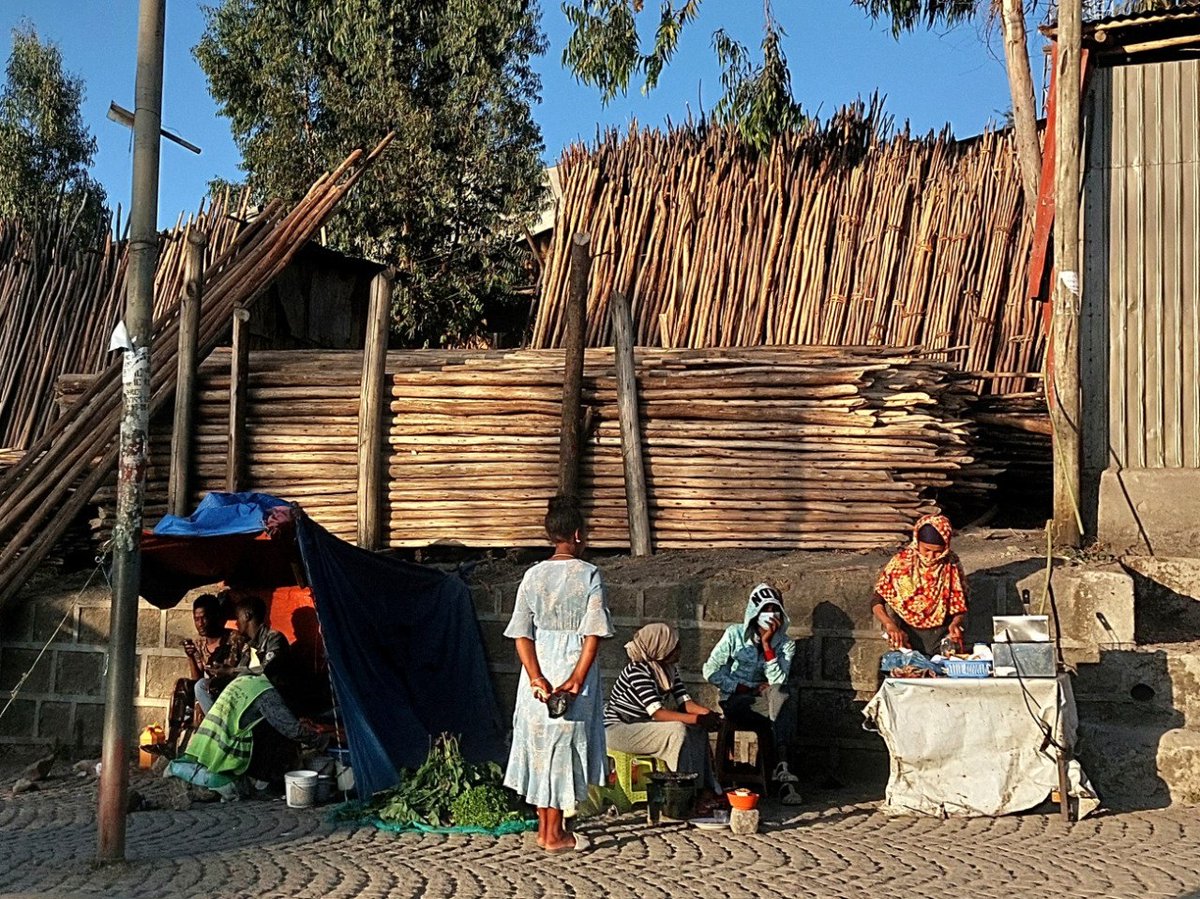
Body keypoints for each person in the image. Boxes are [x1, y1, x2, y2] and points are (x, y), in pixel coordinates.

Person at [504, 494, 613, 852]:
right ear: (578, 534)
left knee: (541, 749)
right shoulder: (589, 574)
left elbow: (521, 633)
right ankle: (555, 835)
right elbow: (593, 631)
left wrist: (536, 677)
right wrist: (578, 677)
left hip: (537, 675)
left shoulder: (532, 576)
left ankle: (545, 829)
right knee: (564, 750)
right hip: (571, 671)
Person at [702, 583, 802, 805]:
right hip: (737, 700)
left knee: (781, 696)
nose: (770, 615)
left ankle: (782, 770)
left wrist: (767, 647)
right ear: (754, 612)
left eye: (774, 609)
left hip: (768, 702)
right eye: (765, 610)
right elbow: (710, 671)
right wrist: (742, 687)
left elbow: (778, 682)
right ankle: (783, 770)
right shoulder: (734, 634)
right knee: (782, 706)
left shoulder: (786, 645)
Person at [166, 672, 325, 804]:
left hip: (206, 746)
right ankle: (267, 783)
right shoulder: (267, 694)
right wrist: (324, 742)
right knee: (277, 732)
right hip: (226, 754)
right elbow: (291, 729)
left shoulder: (247, 681)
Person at [604, 623, 721, 797]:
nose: (679, 650)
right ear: (660, 648)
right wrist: (697, 719)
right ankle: (679, 792)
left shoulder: (669, 670)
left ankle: (701, 788)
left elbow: (684, 702)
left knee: (697, 729)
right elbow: (658, 713)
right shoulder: (638, 670)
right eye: (675, 647)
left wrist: (709, 716)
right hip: (618, 729)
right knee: (676, 730)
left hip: (642, 726)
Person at [871, 513, 968, 657]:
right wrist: (889, 625)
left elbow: (961, 603)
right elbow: (877, 601)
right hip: (906, 637)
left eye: (938, 552)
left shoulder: (951, 564)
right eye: (926, 550)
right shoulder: (901, 563)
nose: (930, 557)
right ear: (917, 543)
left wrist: (956, 623)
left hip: (943, 637)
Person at [156, 594, 240, 757]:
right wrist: (191, 657)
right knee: (182, 684)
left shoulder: (233, 639)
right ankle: (171, 742)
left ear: (215, 617)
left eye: (204, 618)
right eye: (196, 619)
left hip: (225, 690)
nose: (200, 624)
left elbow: (231, 674)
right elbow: (197, 679)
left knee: (205, 687)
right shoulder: (200, 643)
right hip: (203, 688)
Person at [198, 595, 292, 711]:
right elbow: (241, 674)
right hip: (250, 695)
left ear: (247, 616)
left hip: (270, 697)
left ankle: (221, 726)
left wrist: (231, 671)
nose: (237, 623)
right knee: (203, 685)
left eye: (238, 618)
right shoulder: (248, 646)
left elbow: (264, 670)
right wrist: (222, 673)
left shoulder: (273, 638)